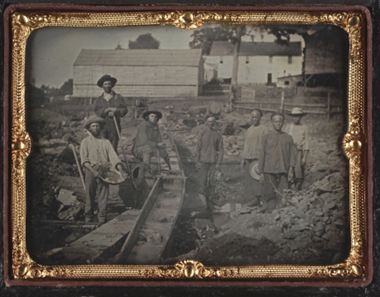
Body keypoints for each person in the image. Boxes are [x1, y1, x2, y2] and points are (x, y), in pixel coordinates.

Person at [80, 116, 128, 226]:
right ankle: (88, 219)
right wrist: (93, 171)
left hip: (104, 171)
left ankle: (102, 219)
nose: (95, 128)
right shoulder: (85, 142)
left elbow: (114, 157)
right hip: (90, 170)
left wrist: (121, 170)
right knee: (90, 195)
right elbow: (84, 160)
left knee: (103, 196)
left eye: (97, 126)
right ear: (89, 128)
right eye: (93, 126)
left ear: (101, 128)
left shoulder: (106, 142)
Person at [257, 113, 295, 213]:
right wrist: (261, 171)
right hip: (269, 169)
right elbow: (262, 154)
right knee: (269, 193)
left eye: (280, 121)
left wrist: (291, 169)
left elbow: (292, 154)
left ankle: (282, 210)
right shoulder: (266, 137)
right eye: (275, 121)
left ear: (283, 123)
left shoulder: (288, 138)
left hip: (283, 168)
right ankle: (269, 210)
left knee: (284, 192)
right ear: (272, 123)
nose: (278, 123)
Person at [195, 116, 224, 211]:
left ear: (215, 122)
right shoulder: (202, 132)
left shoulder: (218, 134)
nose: (210, 123)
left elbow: (221, 149)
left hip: (213, 161)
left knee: (212, 182)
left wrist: (218, 163)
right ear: (206, 122)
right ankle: (203, 204)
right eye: (209, 122)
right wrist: (197, 161)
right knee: (202, 181)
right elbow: (198, 147)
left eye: (212, 122)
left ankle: (211, 203)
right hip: (203, 161)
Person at [240, 109, 268, 207]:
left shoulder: (264, 129)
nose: (254, 119)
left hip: (258, 158)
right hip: (249, 157)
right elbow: (246, 145)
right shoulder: (249, 129)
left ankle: (260, 199)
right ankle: (253, 199)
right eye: (252, 116)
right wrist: (243, 158)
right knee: (249, 180)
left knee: (258, 179)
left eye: (256, 116)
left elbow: (266, 146)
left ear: (260, 117)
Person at [132, 110, 171, 178]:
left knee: (162, 148)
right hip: (138, 149)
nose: (154, 118)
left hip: (149, 147)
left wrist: (162, 146)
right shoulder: (143, 127)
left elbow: (159, 139)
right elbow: (144, 141)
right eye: (152, 116)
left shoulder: (155, 126)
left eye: (156, 117)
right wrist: (157, 145)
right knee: (148, 148)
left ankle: (169, 167)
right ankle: (147, 170)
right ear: (147, 118)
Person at [94, 75, 128, 152]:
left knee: (113, 145)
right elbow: (97, 111)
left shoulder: (118, 97)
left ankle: (113, 162)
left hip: (114, 125)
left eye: (109, 84)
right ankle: (104, 162)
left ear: (112, 85)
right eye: (106, 84)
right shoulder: (99, 99)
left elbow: (125, 109)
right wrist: (106, 110)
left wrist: (116, 111)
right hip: (103, 126)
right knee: (103, 145)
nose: (108, 86)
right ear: (102, 86)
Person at [283, 107, 310, 190]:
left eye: (298, 116)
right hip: (289, 150)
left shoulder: (304, 127)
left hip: (299, 151)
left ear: (301, 117)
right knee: (289, 168)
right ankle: (289, 186)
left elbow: (306, 142)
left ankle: (298, 187)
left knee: (298, 169)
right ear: (292, 117)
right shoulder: (288, 127)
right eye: (294, 116)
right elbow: (285, 140)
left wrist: (304, 157)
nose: (296, 118)